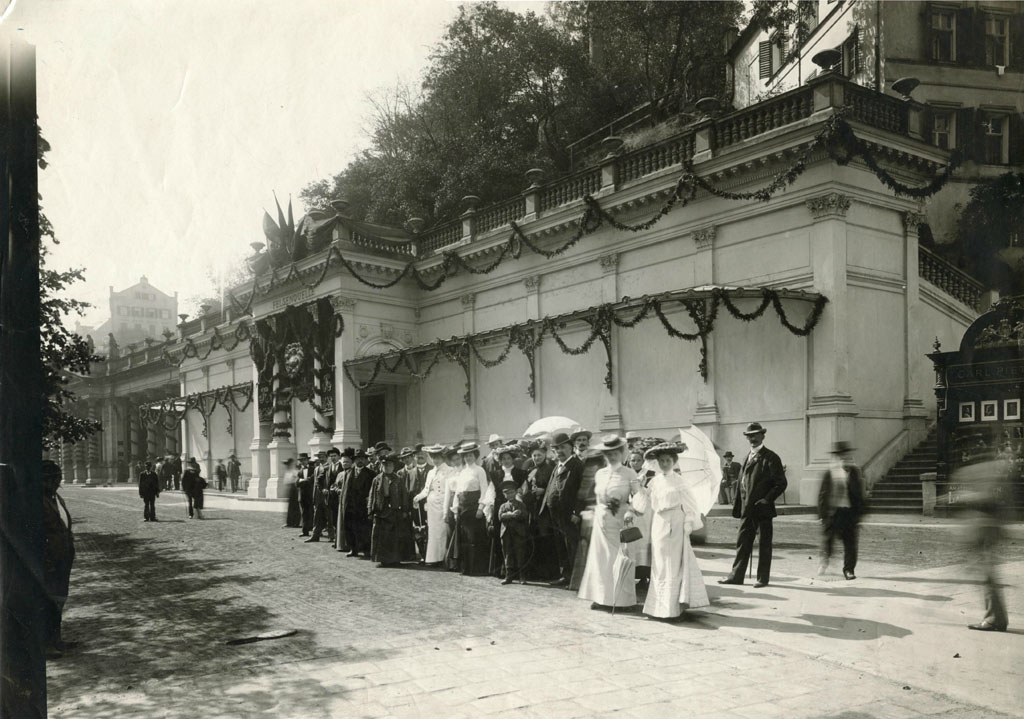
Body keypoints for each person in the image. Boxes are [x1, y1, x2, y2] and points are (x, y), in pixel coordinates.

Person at [631, 442, 710, 619]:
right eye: (661, 461)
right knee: (659, 565)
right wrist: (641, 488)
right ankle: (657, 608)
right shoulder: (654, 482)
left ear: (674, 461)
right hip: (659, 523)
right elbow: (642, 506)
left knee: (672, 565)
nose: (665, 464)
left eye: (668, 460)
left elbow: (690, 506)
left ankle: (673, 609)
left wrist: (688, 524)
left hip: (676, 523)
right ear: (657, 463)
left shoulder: (680, 482)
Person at [719, 422, 787, 588]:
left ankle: (762, 578)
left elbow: (781, 483)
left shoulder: (771, 457)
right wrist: (739, 504)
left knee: (764, 544)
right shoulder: (746, 457)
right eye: (749, 436)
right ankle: (736, 576)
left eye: (756, 435)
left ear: (763, 436)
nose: (752, 438)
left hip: (762, 509)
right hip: (747, 509)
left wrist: (767, 499)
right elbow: (742, 483)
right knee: (742, 543)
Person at [577, 435, 640, 610]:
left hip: (621, 520)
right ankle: (601, 597)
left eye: (615, 453)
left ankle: (622, 601)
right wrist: (592, 511)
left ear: (621, 453)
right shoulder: (600, 473)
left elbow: (639, 495)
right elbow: (596, 497)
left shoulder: (629, 473)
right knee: (600, 559)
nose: (612, 457)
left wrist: (631, 510)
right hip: (601, 520)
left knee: (619, 558)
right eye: (609, 454)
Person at [817, 440, 865, 580]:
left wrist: (859, 514)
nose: (843, 458)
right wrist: (822, 515)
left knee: (850, 543)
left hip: (848, 512)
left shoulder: (854, 472)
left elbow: (859, 493)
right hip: (833, 513)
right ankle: (824, 560)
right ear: (836, 456)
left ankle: (849, 570)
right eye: (839, 455)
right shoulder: (830, 473)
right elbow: (823, 494)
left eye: (845, 454)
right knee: (828, 540)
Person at [42, 460, 75, 659]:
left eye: (58, 480)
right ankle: (46, 644)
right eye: (54, 480)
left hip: (63, 556)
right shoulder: (38, 501)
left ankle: (56, 640)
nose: (57, 484)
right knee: (48, 602)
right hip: (50, 560)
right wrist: (46, 561)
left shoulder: (56, 498)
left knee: (59, 599)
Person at [543, 432, 584, 588]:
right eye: (556, 448)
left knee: (572, 546)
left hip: (569, 515)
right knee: (562, 546)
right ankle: (566, 576)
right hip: (556, 514)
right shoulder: (557, 466)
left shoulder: (577, 465)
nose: (559, 451)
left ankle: (575, 579)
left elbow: (583, 490)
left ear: (571, 448)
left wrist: (577, 512)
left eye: (563, 447)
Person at [449, 442, 494, 576]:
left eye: (471, 455)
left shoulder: (479, 470)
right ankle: (466, 567)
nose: (468, 458)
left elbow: (484, 489)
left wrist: (481, 507)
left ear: (475, 456)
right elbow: (458, 491)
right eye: (466, 456)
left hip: (474, 507)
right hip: (462, 508)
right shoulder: (463, 472)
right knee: (464, 538)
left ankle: (477, 568)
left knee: (474, 537)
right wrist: (455, 509)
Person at [367, 453, 417, 567]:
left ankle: (395, 560)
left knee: (395, 537)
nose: (387, 467)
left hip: (395, 511)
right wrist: (370, 510)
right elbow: (372, 495)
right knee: (381, 537)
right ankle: (382, 560)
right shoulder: (377, 479)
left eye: (389, 465)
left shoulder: (398, 479)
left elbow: (404, 495)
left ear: (393, 466)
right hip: (381, 510)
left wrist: (405, 510)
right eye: (384, 465)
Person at [413, 444, 453, 566]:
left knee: (442, 532)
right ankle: (433, 558)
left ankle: (443, 558)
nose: (436, 460)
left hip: (443, 505)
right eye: (433, 457)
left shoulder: (449, 470)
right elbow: (427, 489)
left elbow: (449, 491)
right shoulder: (431, 472)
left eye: (438, 457)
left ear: (443, 457)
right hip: (432, 507)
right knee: (433, 532)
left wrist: (447, 507)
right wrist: (418, 497)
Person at [625, 447, 654, 590]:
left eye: (638, 460)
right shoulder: (626, 474)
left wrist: (643, 487)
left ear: (643, 461)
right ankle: (630, 575)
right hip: (630, 512)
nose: (635, 463)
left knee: (644, 542)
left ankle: (645, 576)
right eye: (633, 460)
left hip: (645, 514)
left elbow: (653, 493)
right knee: (631, 543)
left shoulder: (649, 474)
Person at [337, 450, 374, 557]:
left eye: (362, 458)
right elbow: (345, 490)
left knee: (364, 528)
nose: (360, 461)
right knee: (350, 528)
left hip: (363, 506)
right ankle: (353, 549)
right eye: (358, 459)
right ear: (354, 460)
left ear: (365, 460)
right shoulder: (348, 473)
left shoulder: (371, 474)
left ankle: (366, 550)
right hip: (350, 506)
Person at [498, 479, 529, 585]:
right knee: (507, 554)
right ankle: (508, 576)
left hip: (518, 533)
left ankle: (522, 576)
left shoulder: (521, 505)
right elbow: (500, 517)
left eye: (511, 492)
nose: (509, 495)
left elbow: (525, 515)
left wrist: (518, 514)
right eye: (506, 493)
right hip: (506, 533)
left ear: (516, 492)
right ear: (504, 495)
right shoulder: (503, 506)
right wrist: (510, 515)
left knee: (520, 554)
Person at [306, 450, 332, 543]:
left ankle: (332, 536)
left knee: (329, 516)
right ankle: (315, 535)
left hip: (326, 496)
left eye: (323, 457)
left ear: (326, 457)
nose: (321, 459)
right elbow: (315, 484)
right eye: (319, 457)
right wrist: (314, 496)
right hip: (317, 497)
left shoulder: (330, 467)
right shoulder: (316, 468)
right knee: (317, 517)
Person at [296, 453, 313, 536]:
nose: (303, 462)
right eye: (301, 460)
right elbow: (297, 483)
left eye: (304, 460)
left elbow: (312, 480)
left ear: (307, 460)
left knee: (313, 513)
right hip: (303, 495)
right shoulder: (299, 471)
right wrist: (305, 480)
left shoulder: (313, 469)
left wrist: (302, 480)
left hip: (311, 494)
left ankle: (316, 532)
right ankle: (305, 531)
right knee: (304, 513)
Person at [282, 457, 302, 528]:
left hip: (294, 489)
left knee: (295, 506)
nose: (287, 465)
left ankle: (296, 523)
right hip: (290, 489)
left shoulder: (294, 471)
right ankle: (289, 522)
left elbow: (297, 479)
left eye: (288, 464)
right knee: (290, 507)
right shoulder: (287, 472)